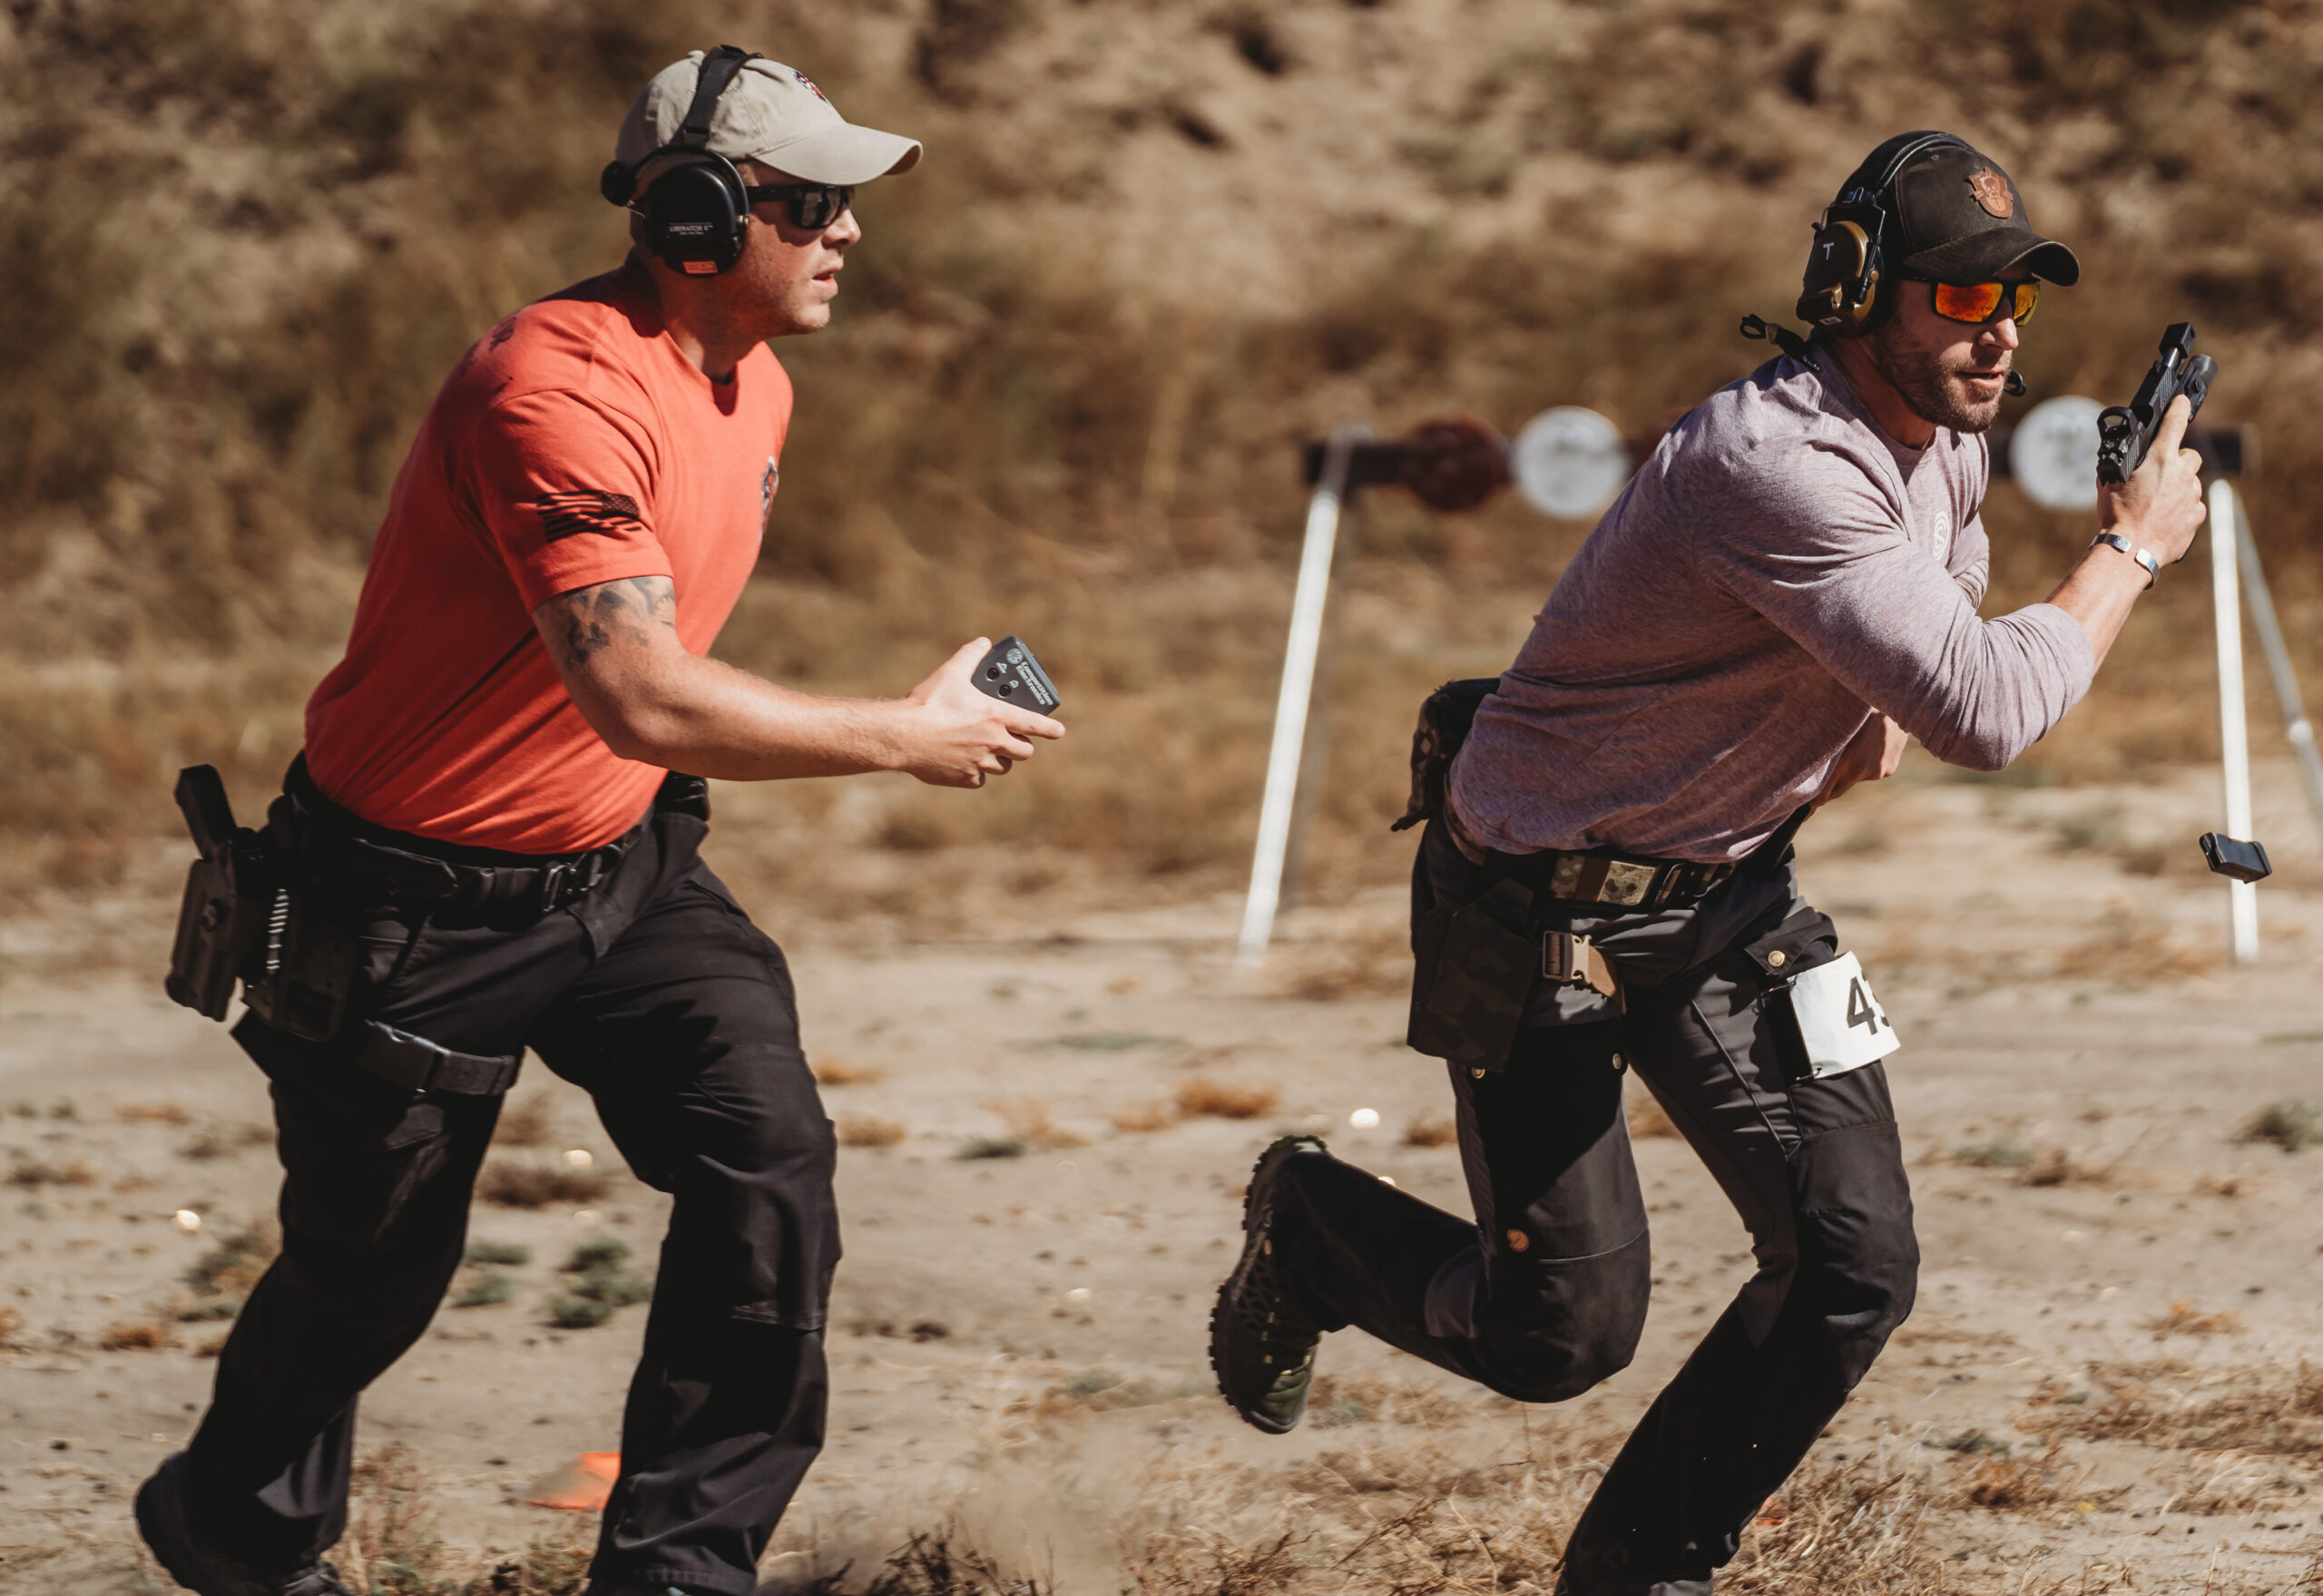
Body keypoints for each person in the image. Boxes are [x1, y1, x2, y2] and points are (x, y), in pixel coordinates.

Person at [1207, 132, 2205, 1596]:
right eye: (1958, 300)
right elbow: (1990, 710)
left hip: (1731, 891)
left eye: (2018, 306)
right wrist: (2133, 549)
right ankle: (1310, 1225)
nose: (1994, 340)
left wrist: (1865, 696)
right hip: (1541, 908)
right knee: (1562, 1336)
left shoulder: (1945, 440)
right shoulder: (1774, 460)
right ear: (1858, 288)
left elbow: (1958, 592)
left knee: (1857, 1264)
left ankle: (1638, 1573)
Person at [137, 46, 1062, 1596]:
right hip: (405, 908)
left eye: (848, 203)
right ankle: (227, 1523)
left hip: (622, 872)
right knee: (370, 1281)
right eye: (812, 202)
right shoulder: (551, 389)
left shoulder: (754, 376)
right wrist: (903, 737)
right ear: (697, 216)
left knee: (770, 1166)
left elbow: (639, 728)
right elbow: (639, 690)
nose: (848, 232)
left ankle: (679, 1569)